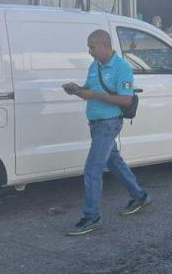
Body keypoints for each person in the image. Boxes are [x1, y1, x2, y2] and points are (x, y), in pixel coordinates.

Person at [61, 30, 150, 236]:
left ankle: (92, 217)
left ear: (103, 45)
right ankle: (140, 197)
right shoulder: (96, 66)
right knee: (114, 162)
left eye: (92, 47)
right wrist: (77, 89)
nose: (89, 51)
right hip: (95, 124)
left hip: (109, 124)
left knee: (93, 169)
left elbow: (126, 99)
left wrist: (93, 95)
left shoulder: (122, 68)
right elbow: (91, 89)